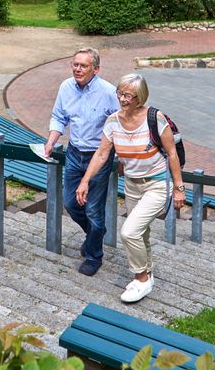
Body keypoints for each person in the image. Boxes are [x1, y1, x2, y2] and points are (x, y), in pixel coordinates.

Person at [76, 73, 185, 303]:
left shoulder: (156, 119)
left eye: (128, 95)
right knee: (141, 232)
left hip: (157, 184)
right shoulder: (113, 121)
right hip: (132, 184)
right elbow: (102, 153)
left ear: (140, 97)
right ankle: (148, 273)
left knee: (129, 231)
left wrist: (179, 188)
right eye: (120, 93)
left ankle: (141, 278)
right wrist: (85, 181)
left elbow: (172, 154)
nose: (122, 99)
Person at [44, 47, 120, 276]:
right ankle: (96, 234)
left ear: (95, 69)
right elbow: (59, 116)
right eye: (75, 64)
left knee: (94, 210)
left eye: (83, 65)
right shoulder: (66, 87)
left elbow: (121, 124)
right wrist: (51, 141)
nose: (77, 69)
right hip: (74, 153)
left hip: (98, 158)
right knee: (70, 203)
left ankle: (94, 255)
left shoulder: (108, 92)